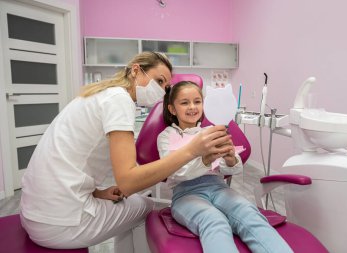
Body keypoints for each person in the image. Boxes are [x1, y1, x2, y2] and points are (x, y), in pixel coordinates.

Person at [20, 52, 232, 253]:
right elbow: (128, 183)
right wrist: (192, 150)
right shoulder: (119, 100)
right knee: (147, 207)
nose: (161, 91)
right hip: (58, 221)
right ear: (136, 70)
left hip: (36, 210)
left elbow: (69, 160)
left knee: (130, 202)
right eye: (158, 81)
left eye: (165, 86)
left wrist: (97, 193)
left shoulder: (98, 94)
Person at [158, 81, 294, 253]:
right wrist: (205, 160)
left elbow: (233, 170)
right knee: (214, 220)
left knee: (250, 214)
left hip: (218, 188)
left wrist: (230, 159)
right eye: (185, 102)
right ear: (172, 108)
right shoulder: (166, 136)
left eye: (197, 101)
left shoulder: (212, 131)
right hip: (186, 193)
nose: (192, 107)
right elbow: (173, 171)